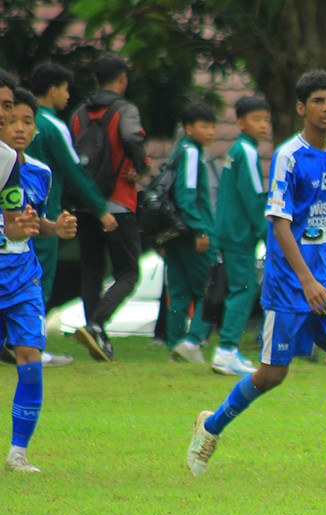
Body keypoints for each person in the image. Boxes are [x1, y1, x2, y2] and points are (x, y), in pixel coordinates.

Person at [187, 70, 326, 483]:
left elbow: (325, 220)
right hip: (291, 282)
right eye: (319, 101)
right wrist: (307, 281)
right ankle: (211, 425)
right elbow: (279, 224)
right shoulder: (288, 156)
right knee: (273, 374)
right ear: (301, 107)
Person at [0, 75, 78, 472]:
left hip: (22, 276)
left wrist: (53, 227)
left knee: (29, 356)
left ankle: (19, 452)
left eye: (28, 121)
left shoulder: (40, 173)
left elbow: (29, 222)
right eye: (12, 119)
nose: (19, 127)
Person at [70, 55, 150, 363]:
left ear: (95, 78)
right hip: (118, 202)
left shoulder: (78, 114)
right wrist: (140, 166)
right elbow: (131, 137)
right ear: (123, 79)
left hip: (86, 204)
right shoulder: (125, 110)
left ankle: (96, 338)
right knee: (129, 273)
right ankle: (97, 324)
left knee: (91, 270)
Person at [25, 63, 116, 308]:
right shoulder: (53, 126)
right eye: (66, 90)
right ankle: (32, 344)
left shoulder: (18, 124)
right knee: (40, 279)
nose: (68, 96)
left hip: (14, 213)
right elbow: (75, 172)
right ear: (53, 90)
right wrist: (101, 209)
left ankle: (12, 343)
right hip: (45, 213)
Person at [210, 95, 271, 376]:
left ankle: (227, 350)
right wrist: (265, 232)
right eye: (257, 119)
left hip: (229, 232)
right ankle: (226, 351)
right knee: (244, 289)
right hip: (239, 235)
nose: (263, 125)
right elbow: (255, 195)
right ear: (240, 122)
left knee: (239, 288)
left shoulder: (236, 150)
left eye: (266, 120)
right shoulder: (246, 151)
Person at [164, 102, 216, 364]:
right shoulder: (192, 153)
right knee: (211, 288)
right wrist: (201, 229)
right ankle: (192, 340)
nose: (210, 131)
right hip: (193, 229)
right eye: (204, 126)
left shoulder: (177, 152)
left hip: (173, 232)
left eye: (212, 126)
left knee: (179, 289)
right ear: (188, 128)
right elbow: (187, 196)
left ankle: (174, 343)